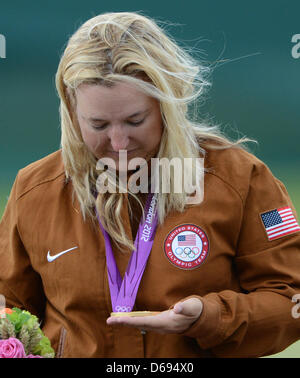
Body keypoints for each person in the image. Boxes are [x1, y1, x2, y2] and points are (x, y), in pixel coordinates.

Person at [0, 11, 300, 359]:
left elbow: (289, 300)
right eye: (98, 124)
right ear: (71, 111)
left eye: (134, 120)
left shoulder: (243, 179)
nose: (119, 142)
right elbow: (11, 308)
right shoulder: (35, 190)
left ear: (167, 103)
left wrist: (210, 317)